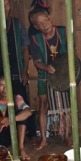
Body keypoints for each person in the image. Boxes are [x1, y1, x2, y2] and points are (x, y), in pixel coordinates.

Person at [0, 0, 37, 143]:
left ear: (9, 6)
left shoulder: (18, 24)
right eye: (1, 5)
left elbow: (25, 47)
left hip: (17, 72)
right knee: (2, 105)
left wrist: (25, 69)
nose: (4, 8)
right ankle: (4, 136)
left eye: (7, 4)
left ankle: (29, 137)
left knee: (22, 103)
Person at [29, 9, 72, 150]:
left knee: (65, 106)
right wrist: (46, 68)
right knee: (43, 105)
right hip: (45, 74)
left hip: (63, 73)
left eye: (45, 20)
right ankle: (43, 139)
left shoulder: (63, 32)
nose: (44, 24)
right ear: (36, 27)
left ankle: (65, 136)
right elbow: (36, 61)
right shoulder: (36, 39)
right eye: (40, 23)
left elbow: (72, 52)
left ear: (50, 18)